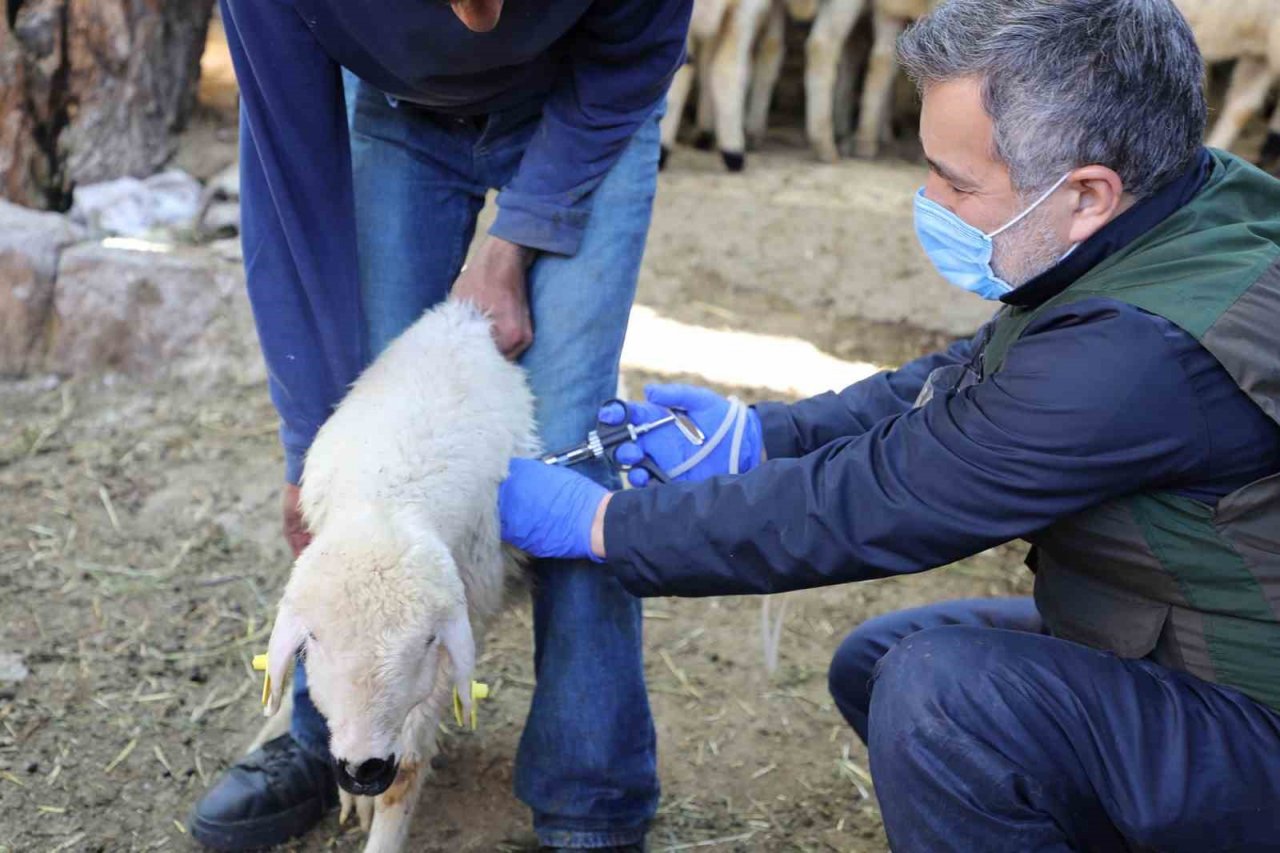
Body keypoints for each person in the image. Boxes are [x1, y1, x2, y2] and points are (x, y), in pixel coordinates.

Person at [499, 1, 1280, 850]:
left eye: (957, 181)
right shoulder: (1183, 208)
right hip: (1198, 644)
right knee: (882, 658)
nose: (928, 200)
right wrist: (763, 437)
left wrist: (603, 524)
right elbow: (966, 378)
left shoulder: (1139, 352)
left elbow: (886, 499)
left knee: (943, 695)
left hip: (1255, 710)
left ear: (1088, 192)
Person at [190, 0, 690, 849]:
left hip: (583, 103)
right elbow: (290, 178)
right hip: (398, 116)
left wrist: (513, 245)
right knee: (367, 472)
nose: (482, 17)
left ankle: (590, 787)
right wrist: (310, 445)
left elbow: (632, 60)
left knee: (568, 450)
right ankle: (334, 740)